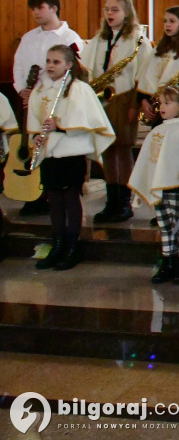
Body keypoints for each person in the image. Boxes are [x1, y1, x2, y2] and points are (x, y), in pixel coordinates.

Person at [29, 45, 114, 271]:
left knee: (70, 197)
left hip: (71, 151)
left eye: (56, 62)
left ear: (68, 65)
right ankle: (58, 243)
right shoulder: (41, 90)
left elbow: (86, 119)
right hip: (50, 152)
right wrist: (37, 137)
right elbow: (36, 119)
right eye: (48, 61)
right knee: (53, 199)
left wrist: (60, 125)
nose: (50, 66)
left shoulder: (78, 89)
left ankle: (73, 245)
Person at [81, 0, 154, 223]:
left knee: (123, 149)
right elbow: (87, 67)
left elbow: (144, 74)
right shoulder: (99, 39)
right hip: (101, 100)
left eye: (115, 9)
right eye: (106, 9)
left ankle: (124, 201)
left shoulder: (137, 39)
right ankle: (111, 200)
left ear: (127, 12)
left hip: (124, 98)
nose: (109, 14)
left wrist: (135, 104)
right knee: (106, 149)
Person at [12, 0, 84, 216]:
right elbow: (20, 66)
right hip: (31, 99)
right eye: (33, 9)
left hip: (57, 101)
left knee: (53, 146)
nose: (35, 12)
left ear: (54, 8)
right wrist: (22, 89)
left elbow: (78, 70)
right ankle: (33, 193)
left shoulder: (69, 36)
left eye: (40, 8)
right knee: (34, 142)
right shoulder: (28, 38)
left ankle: (51, 193)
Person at [127, 85, 179, 285]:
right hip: (160, 189)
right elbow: (148, 162)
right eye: (161, 103)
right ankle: (167, 262)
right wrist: (140, 188)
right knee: (165, 227)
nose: (161, 107)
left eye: (167, 103)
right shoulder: (156, 132)